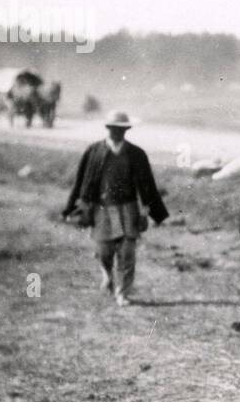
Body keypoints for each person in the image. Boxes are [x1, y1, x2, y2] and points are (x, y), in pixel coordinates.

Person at [63, 110, 169, 307]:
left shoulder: (136, 154)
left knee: (127, 252)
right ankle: (107, 274)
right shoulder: (94, 151)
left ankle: (123, 293)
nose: (118, 132)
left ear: (127, 130)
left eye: (122, 129)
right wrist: (71, 207)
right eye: (114, 128)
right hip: (102, 209)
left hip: (128, 208)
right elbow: (81, 181)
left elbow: (147, 186)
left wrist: (147, 211)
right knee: (104, 251)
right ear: (107, 128)